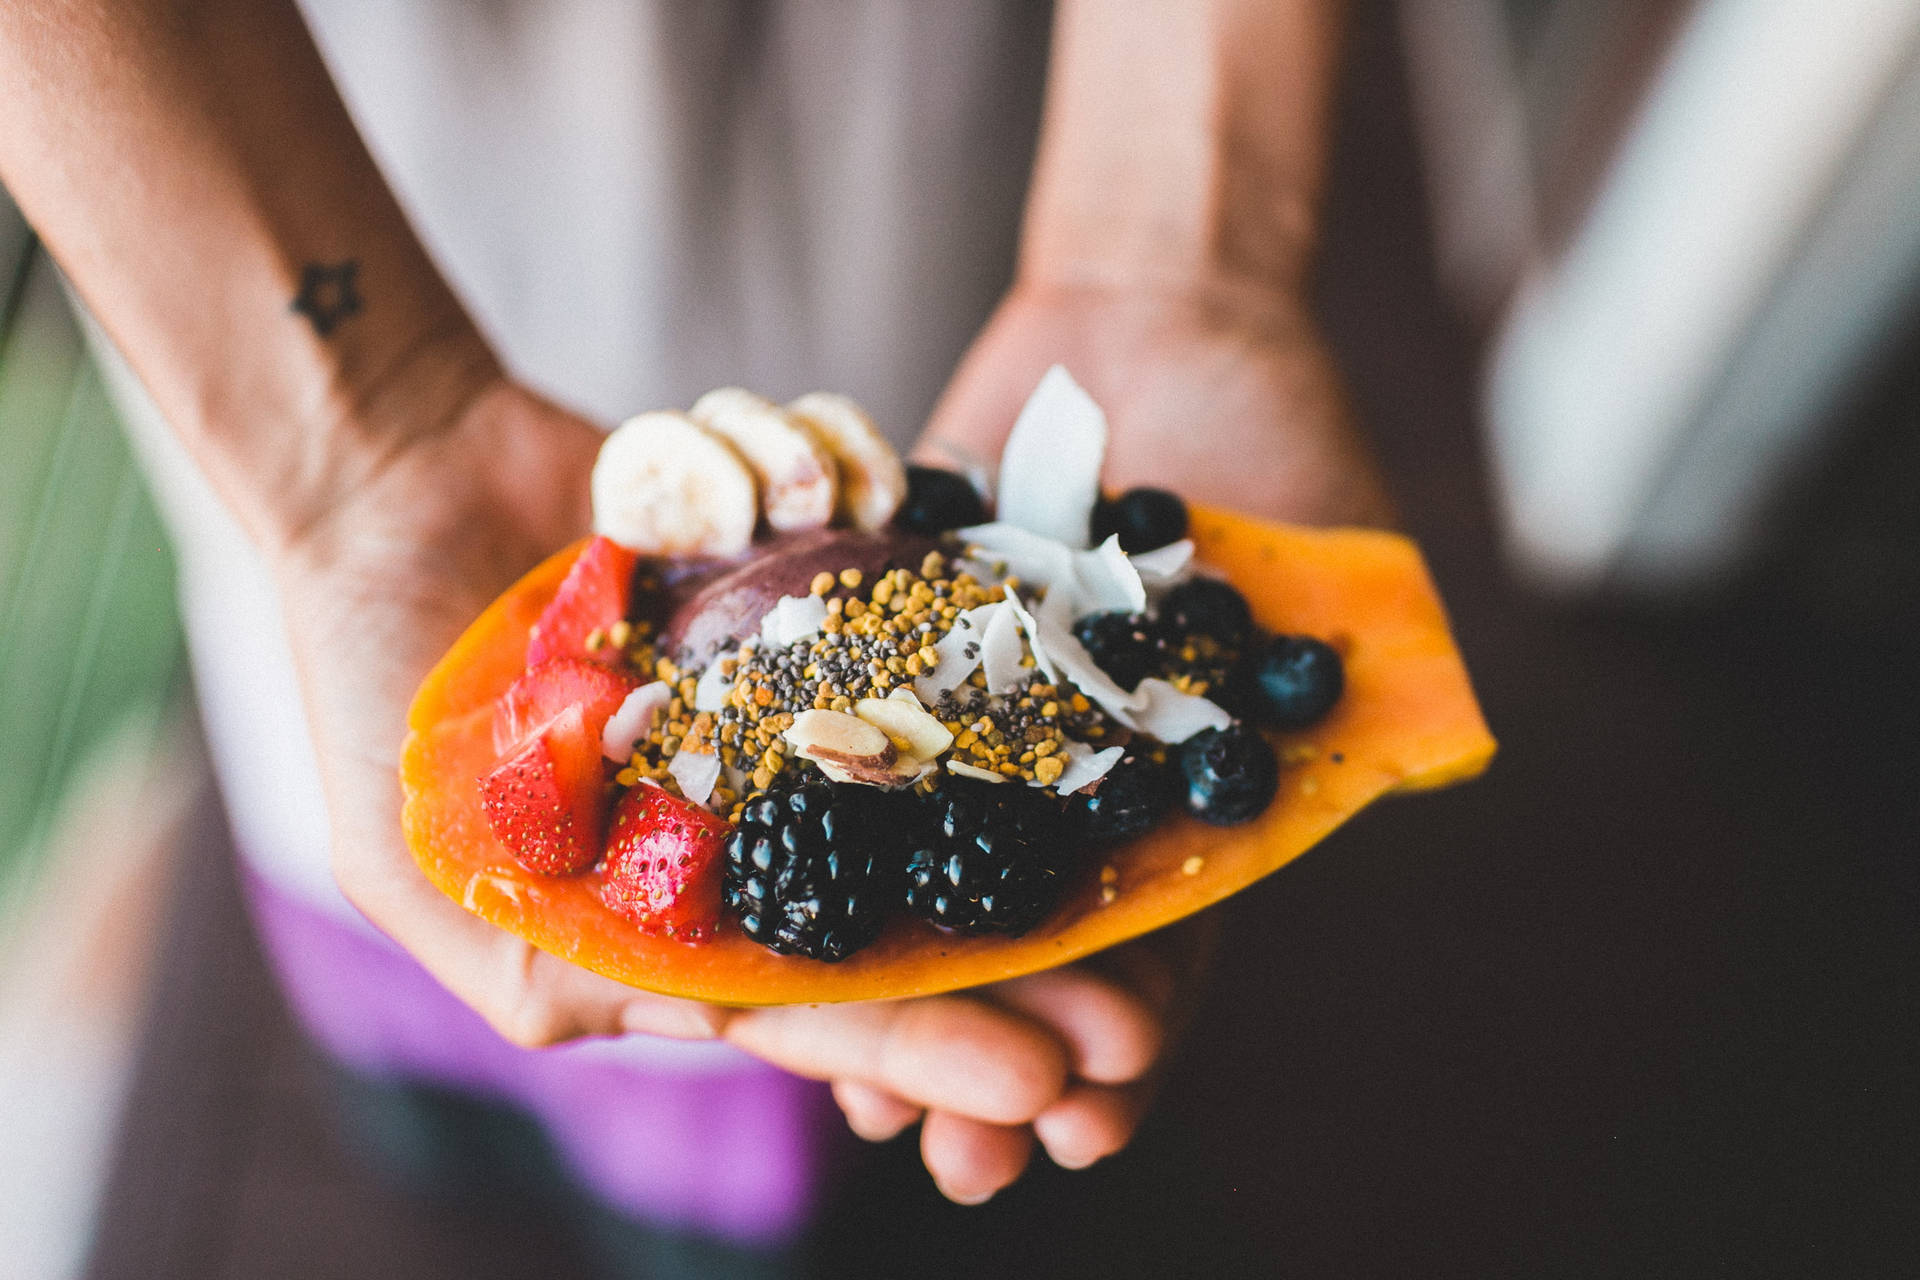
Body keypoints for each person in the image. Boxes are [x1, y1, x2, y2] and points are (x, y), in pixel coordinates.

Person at [0, 0, 1390, 1259]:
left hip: (926, 192)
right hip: (260, 243)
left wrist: (1177, 265)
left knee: (817, 1186)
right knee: (430, 1048)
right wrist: (352, 449)